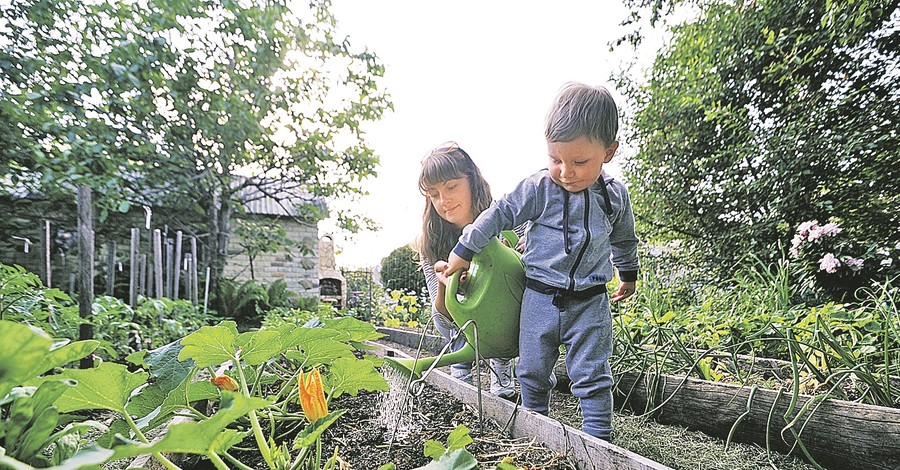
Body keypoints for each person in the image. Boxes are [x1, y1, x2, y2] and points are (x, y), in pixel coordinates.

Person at [440, 82, 640, 441]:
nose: (565, 171)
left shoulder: (615, 197)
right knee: (531, 370)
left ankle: (599, 444)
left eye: (580, 162)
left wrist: (628, 273)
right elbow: (498, 214)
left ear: (608, 152)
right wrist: (463, 250)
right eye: (555, 160)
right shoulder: (538, 189)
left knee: (592, 374)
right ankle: (537, 432)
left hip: (591, 302)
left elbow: (624, 239)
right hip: (539, 298)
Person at [418, 142, 518, 399]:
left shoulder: (508, 222)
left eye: (451, 187)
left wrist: (505, 260)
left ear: (472, 181)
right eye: (434, 194)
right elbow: (441, 318)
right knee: (454, 318)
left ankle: (501, 362)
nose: (444, 200)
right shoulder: (433, 242)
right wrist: (446, 282)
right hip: (460, 325)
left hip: (506, 320)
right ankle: (461, 365)